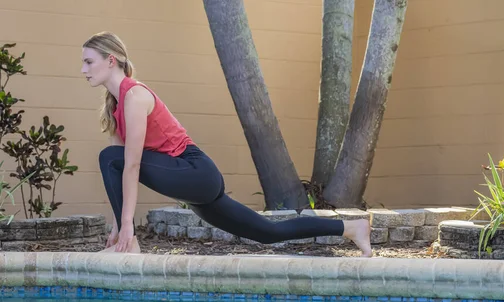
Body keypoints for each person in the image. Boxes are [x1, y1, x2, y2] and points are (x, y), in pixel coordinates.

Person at [81, 31, 372, 256]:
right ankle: (351, 228)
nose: (84, 70)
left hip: (195, 171)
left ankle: (129, 245)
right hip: (197, 188)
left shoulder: (135, 96)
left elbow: (130, 166)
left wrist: (126, 230)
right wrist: (119, 225)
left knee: (110, 157)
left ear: (111, 60)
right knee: (267, 233)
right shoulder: (116, 106)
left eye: (89, 61)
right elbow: (121, 172)